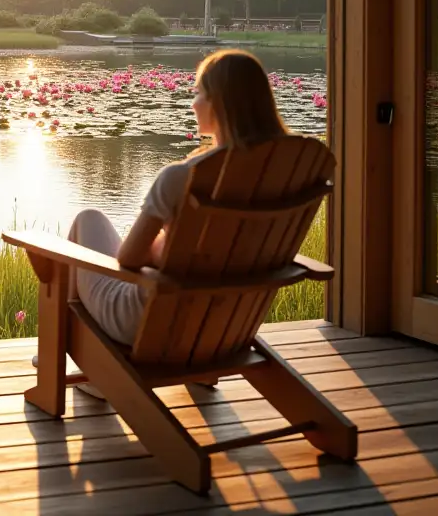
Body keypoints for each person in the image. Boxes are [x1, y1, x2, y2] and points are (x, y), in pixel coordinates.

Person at [65, 49, 289, 356]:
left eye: (199, 94)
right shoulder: (285, 174)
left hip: (149, 319)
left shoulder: (181, 177)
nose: (193, 104)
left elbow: (130, 258)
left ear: (218, 105)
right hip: (226, 324)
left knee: (87, 220)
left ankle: (69, 357)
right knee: (97, 220)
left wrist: (159, 249)